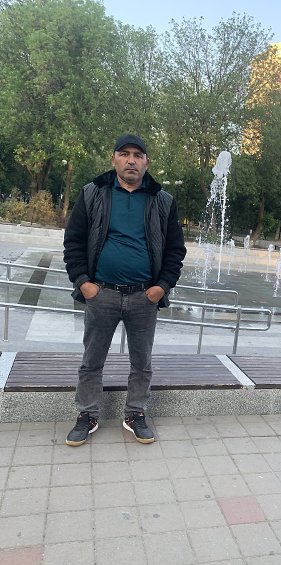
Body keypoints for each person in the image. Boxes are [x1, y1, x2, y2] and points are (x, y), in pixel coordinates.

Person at [63, 133, 186, 446]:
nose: (131, 160)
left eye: (138, 155)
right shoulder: (93, 194)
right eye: (125, 154)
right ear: (114, 159)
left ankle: (135, 413)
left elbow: (175, 251)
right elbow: (73, 242)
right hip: (101, 294)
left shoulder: (163, 201)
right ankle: (87, 414)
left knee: (142, 363)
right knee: (92, 361)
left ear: (146, 162)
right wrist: (84, 283)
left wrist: (161, 288)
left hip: (144, 297)